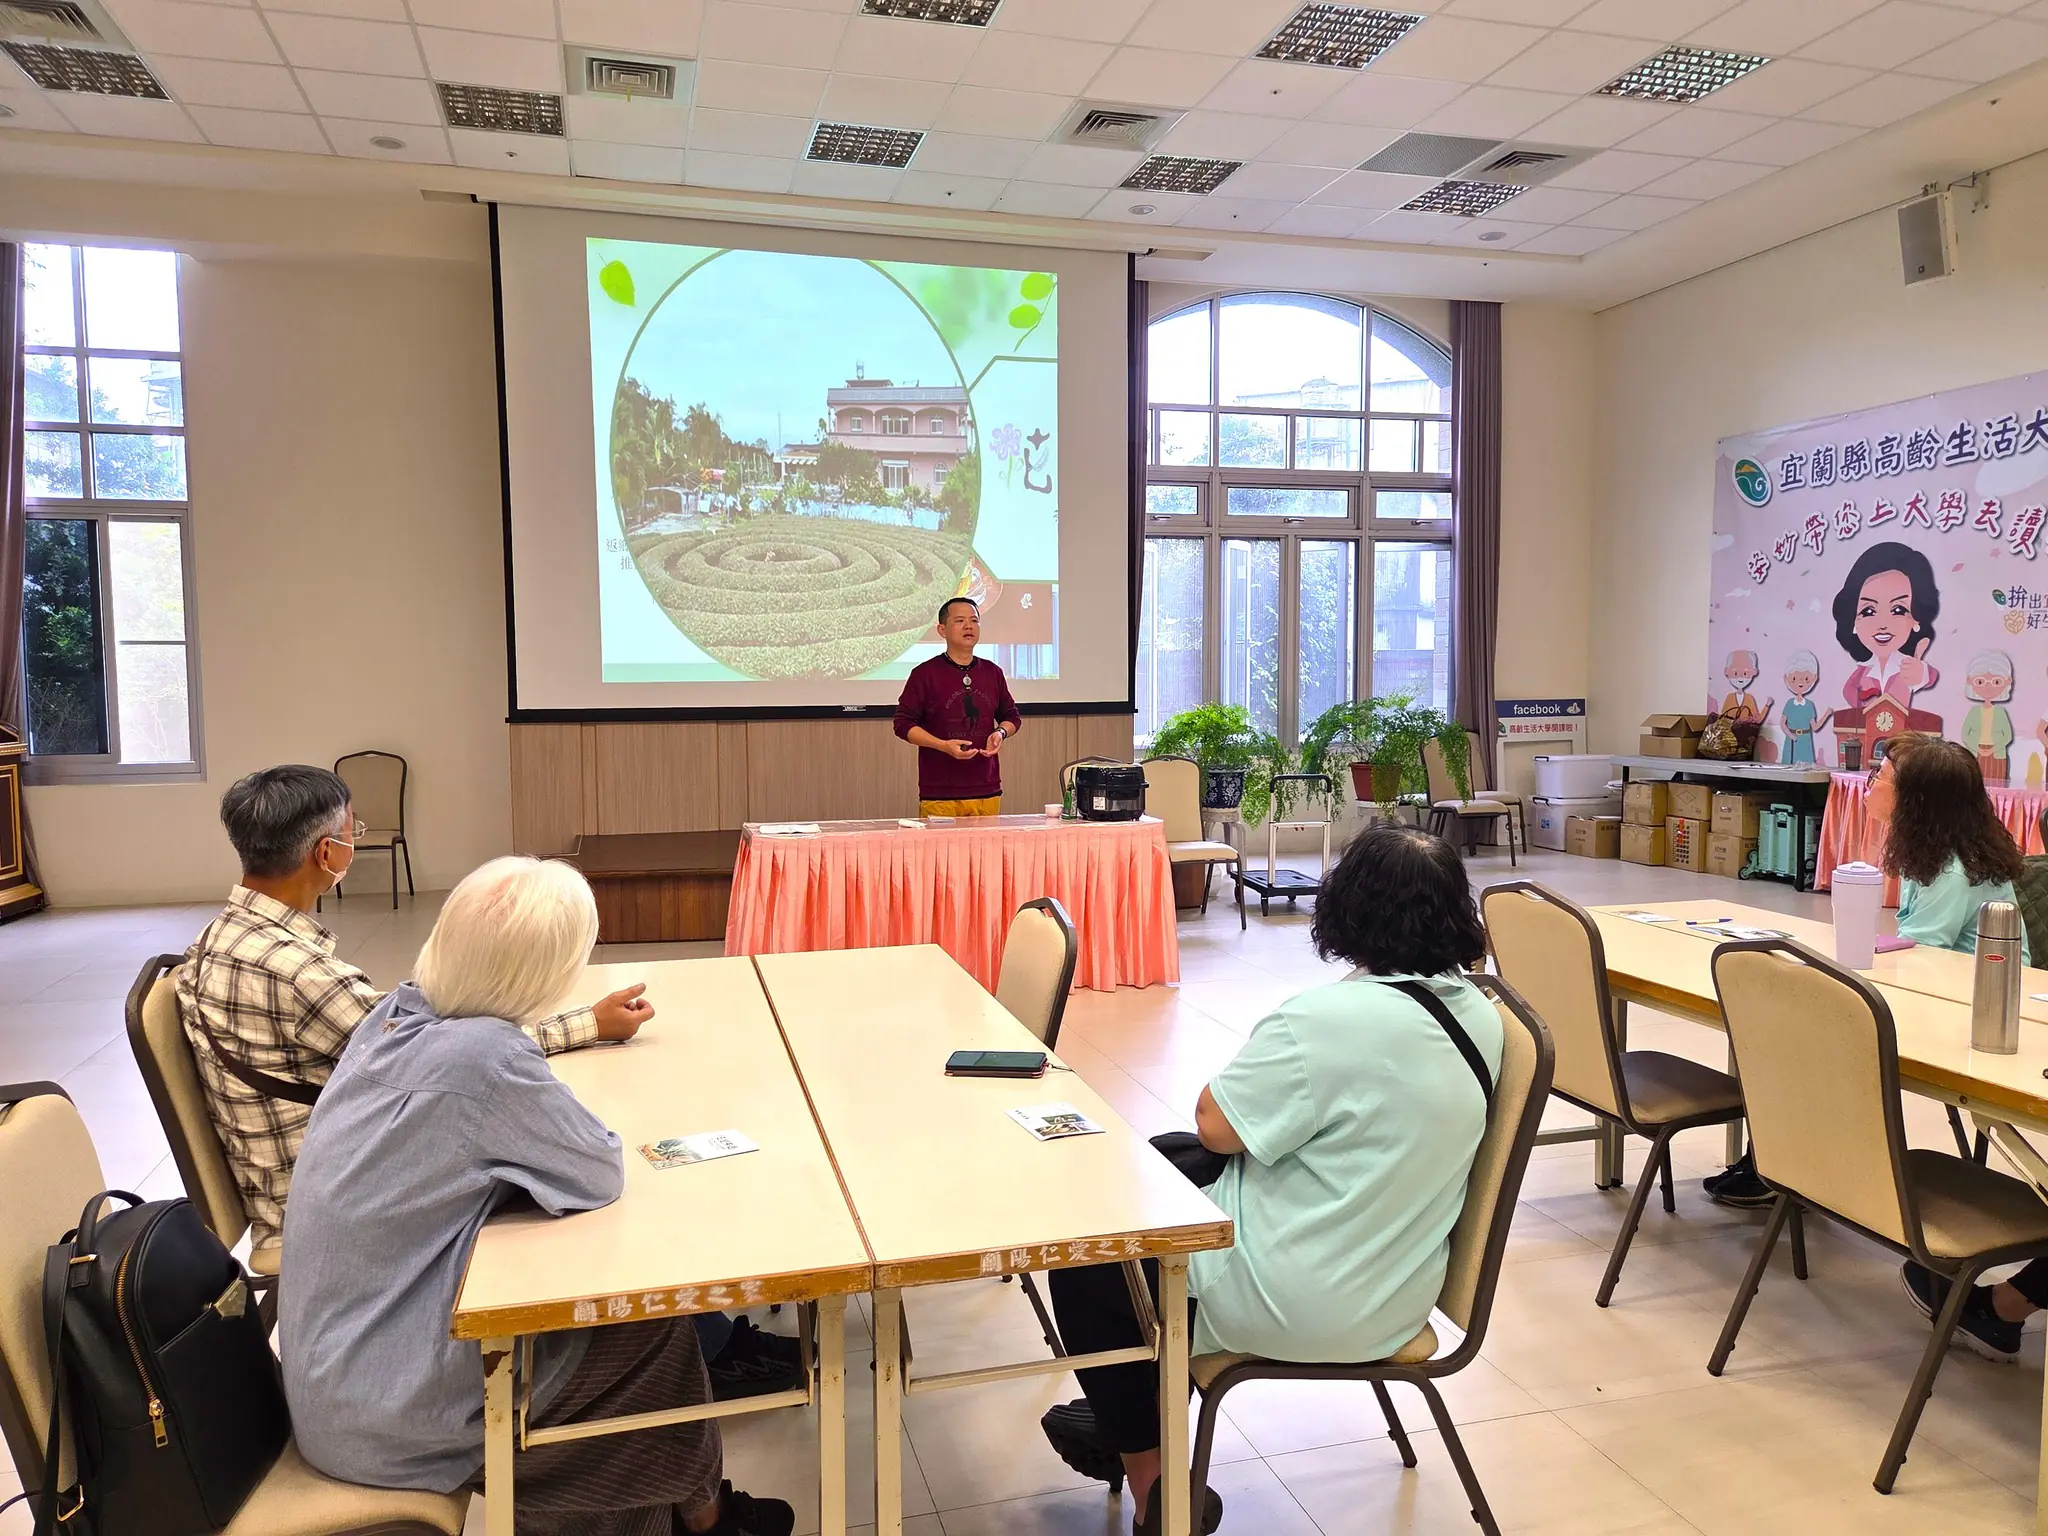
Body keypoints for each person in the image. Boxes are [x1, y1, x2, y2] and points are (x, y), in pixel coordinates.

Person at [180, 765, 796, 1396]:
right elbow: (439, 1058)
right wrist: (582, 1024)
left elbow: (419, 1039)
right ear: (325, 852)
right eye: (352, 830)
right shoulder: (298, 972)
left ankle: (701, 1339)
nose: (356, 843)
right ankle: (701, 1349)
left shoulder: (221, 937)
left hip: (303, 1169)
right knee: (596, 1172)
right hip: (337, 1193)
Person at [281, 857, 795, 1536]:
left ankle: (697, 1513)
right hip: (394, 1412)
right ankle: (703, 1518)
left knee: (612, 1342)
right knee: (649, 1334)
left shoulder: (395, 1014)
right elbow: (597, 1172)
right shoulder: (484, 1057)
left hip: (337, 1376)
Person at [1038, 825, 1501, 1534]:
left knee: (1091, 1257)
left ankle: (1153, 1481)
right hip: (1398, 1289)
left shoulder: (1329, 1017)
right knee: (1166, 1156)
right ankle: (1125, 1416)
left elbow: (1219, 1125)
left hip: (1297, 1297)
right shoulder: (1481, 1016)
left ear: (1349, 909)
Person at [892, 597, 1021, 817]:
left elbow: (1011, 717)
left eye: (974, 620)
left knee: (986, 852)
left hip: (986, 790)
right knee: (941, 852)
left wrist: (1000, 733)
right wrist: (942, 745)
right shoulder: (925, 674)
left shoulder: (993, 672)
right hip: (940, 793)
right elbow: (902, 724)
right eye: (960, 620)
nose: (969, 626)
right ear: (942, 630)